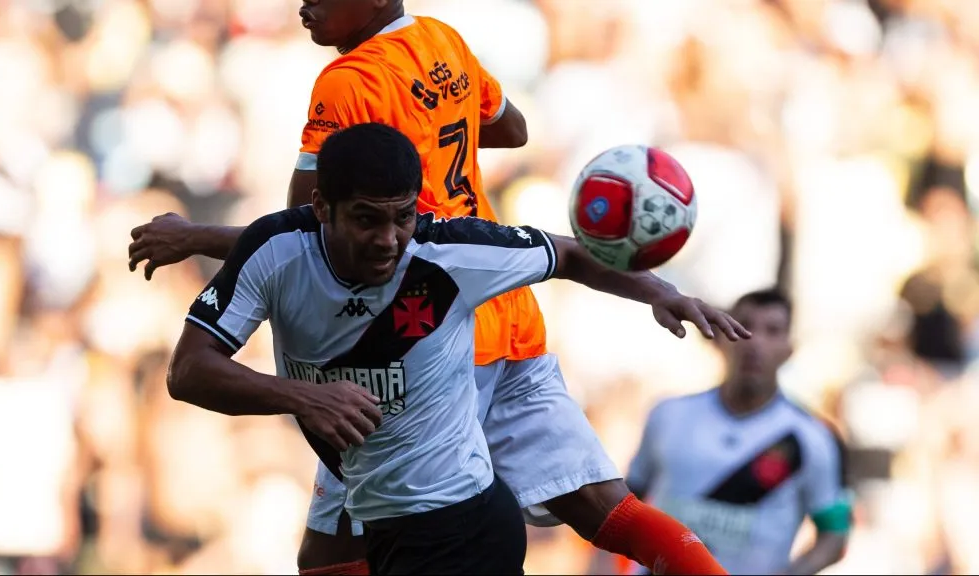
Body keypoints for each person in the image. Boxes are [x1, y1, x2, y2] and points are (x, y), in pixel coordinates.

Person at [128, 2, 746, 574]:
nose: (304, 5)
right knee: (606, 511)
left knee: (334, 551)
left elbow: (307, 228)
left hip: (419, 328)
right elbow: (513, 129)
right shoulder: (442, 41)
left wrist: (194, 236)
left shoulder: (348, 81)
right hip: (503, 304)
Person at [626, 289, 853, 575]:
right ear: (719, 338)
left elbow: (834, 534)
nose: (754, 342)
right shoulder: (668, 414)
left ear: (789, 349)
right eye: (742, 325)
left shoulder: (812, 439)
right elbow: (623, 502)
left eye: (772, 331)